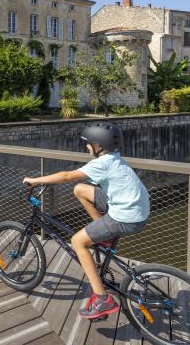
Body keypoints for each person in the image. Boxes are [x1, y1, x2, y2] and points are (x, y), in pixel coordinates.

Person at [23, 123, 149, 320]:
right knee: (80, 189)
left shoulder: (101, 163)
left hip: (127, 216)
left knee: (77, 241)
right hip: (134, 207)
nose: (86, 147)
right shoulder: (114, 158)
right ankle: (105, 235)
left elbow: (66, 176)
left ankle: (102, 300)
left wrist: (36, 180)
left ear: (98, 145)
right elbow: (75, 182)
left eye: (88, 144)